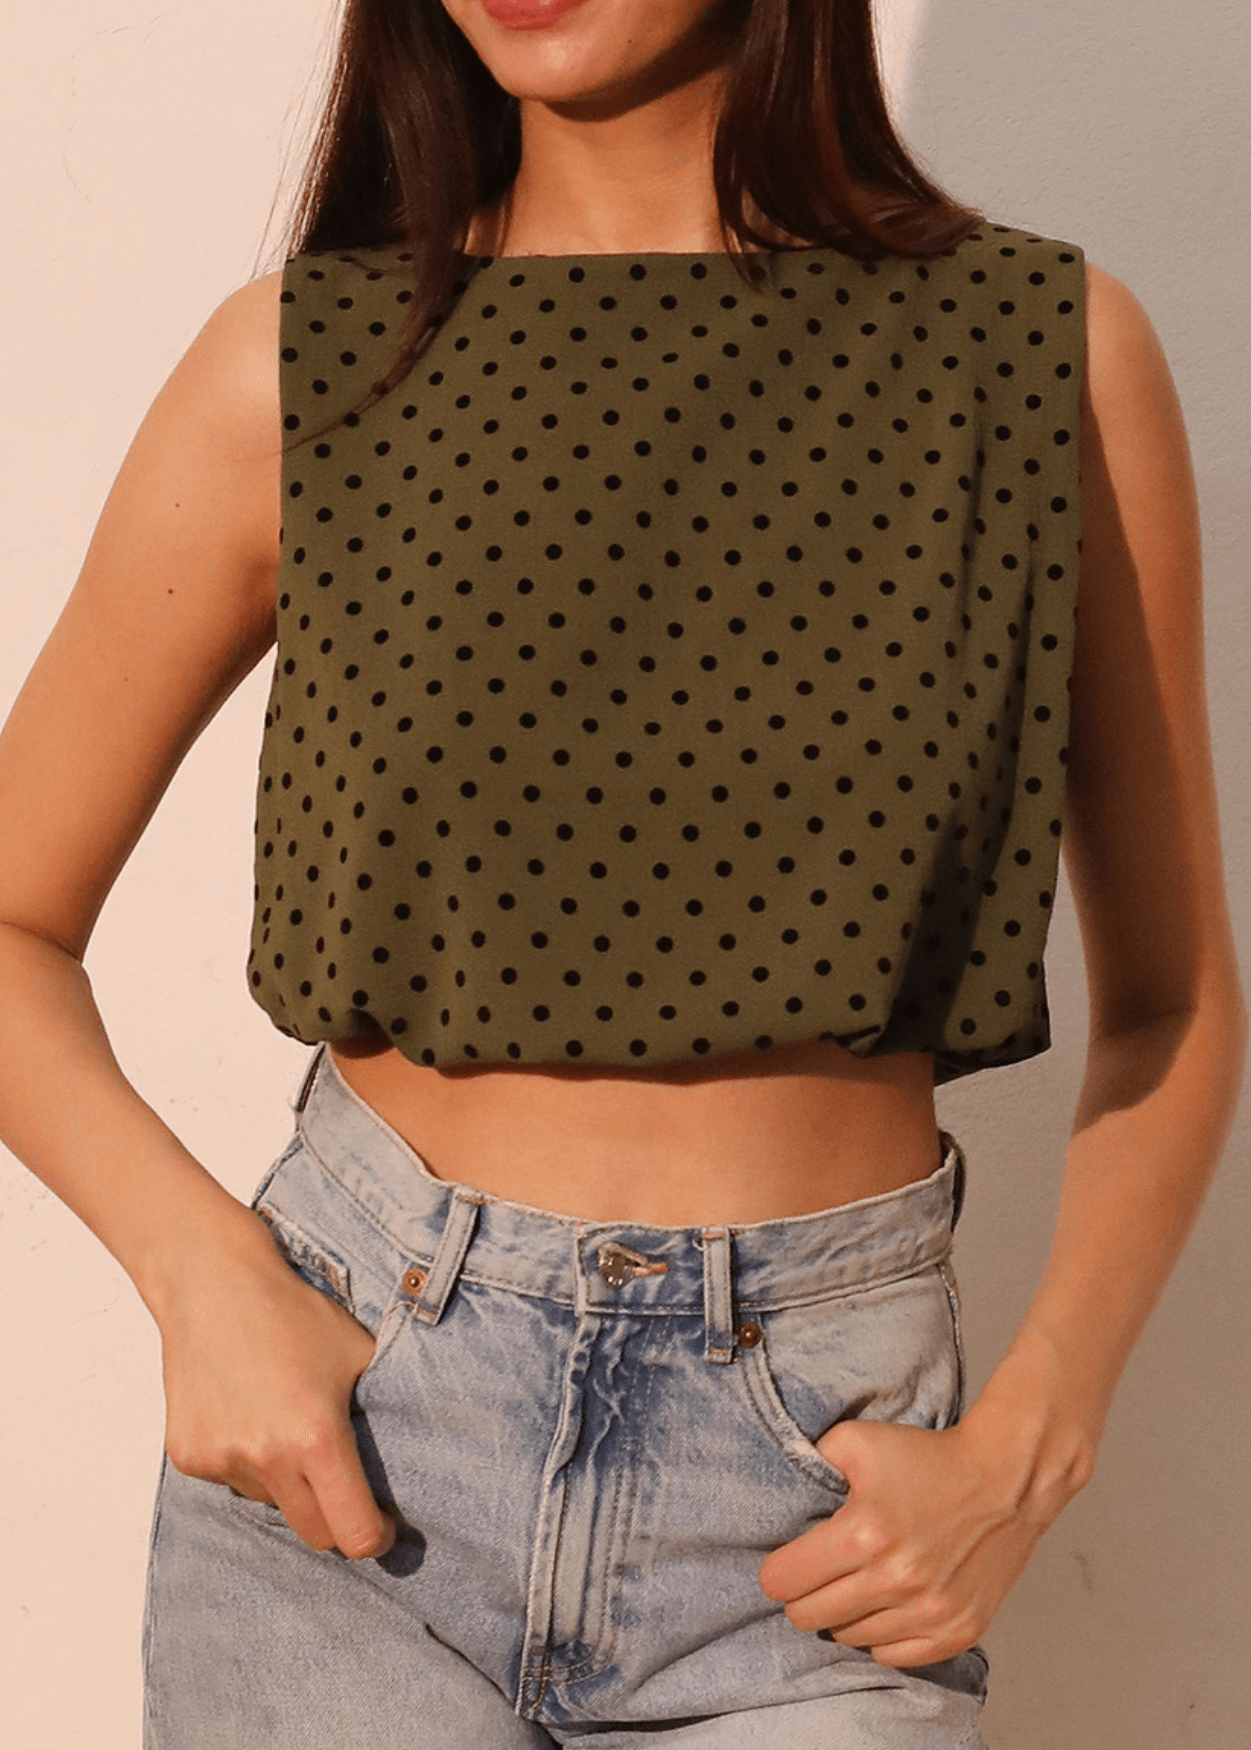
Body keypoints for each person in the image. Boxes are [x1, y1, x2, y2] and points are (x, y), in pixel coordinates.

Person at [0, 0, 1244, 1744]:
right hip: (351, 1449)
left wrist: (1035, 1435)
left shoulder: (1037, 354)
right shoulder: (310, 361)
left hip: (812, 1509)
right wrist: (200, 1278)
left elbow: (1173, 998)